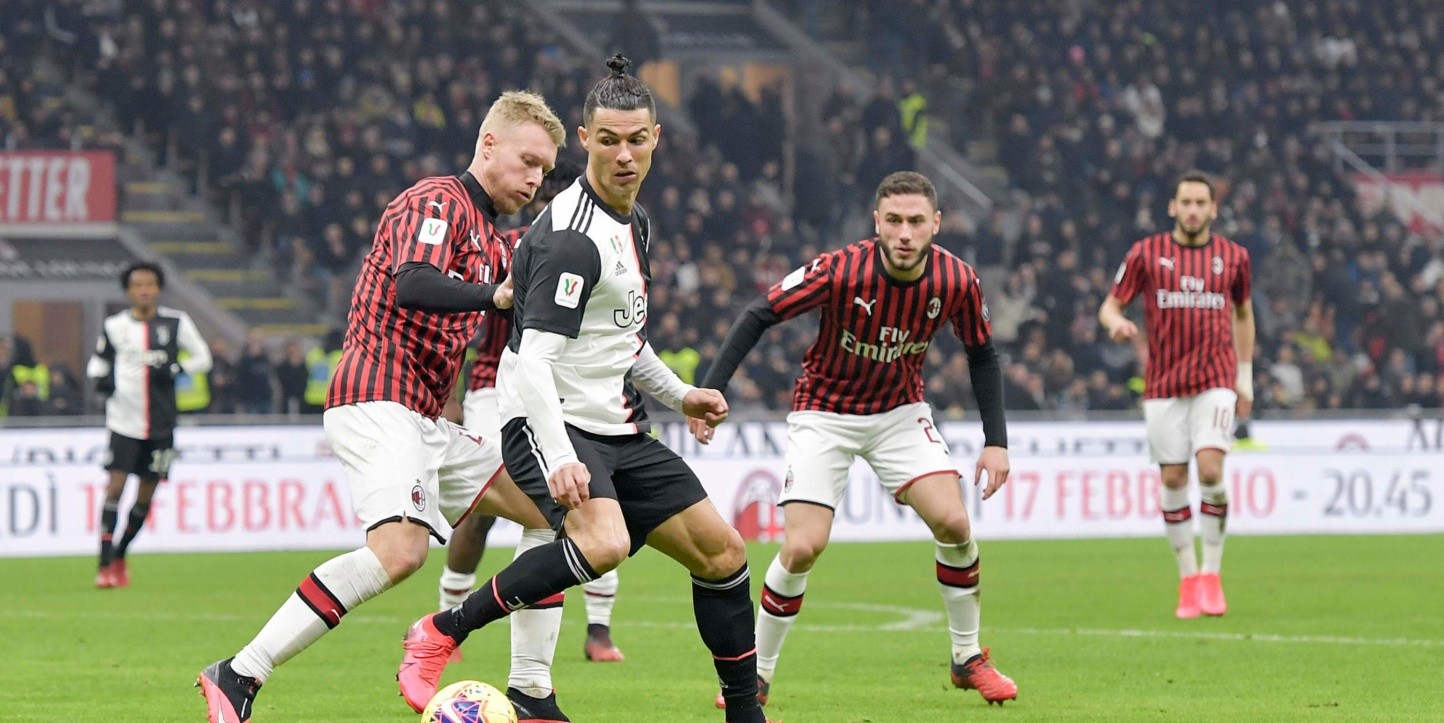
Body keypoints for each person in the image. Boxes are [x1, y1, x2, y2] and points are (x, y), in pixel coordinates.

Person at [397, 56, 772, 723]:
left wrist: (680, 393)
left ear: (656, 137)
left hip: (617, 425)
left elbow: (622, 340)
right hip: (549, 421)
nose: (624, 155)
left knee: (724, 553)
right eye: (608, 141)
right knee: (604, 543)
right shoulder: (574, 239)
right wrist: (561, 455)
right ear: (584, 138)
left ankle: (746, 714)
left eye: (636, 139)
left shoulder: (636, 221)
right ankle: (445, 628)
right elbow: (535, 361)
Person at [197, 90, 568, 723]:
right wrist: (495, 297)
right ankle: (238, 672)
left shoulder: (492, 238)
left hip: (426, 418)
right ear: (488, 145)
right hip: (376, 394)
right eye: (527, 160)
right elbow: (413, 283)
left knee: (555, 513)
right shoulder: (436, 201)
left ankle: (531, 691)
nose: (535, 179)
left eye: (546, 170)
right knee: (400, 553)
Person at [694, 170, 1018, 708]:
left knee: (955, 522)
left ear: (936, 223)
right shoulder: (841, 269)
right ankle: (756, 678)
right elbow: (760, 313)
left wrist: (996, 440)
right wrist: (711, 390)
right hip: (824, 412)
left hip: (899, 413)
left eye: (917, 221)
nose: (905, 233)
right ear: (877, 223)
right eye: (894, 221)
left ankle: (966, 658)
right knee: (801, 547)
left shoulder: (958, 281)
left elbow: (982, 354)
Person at [440, 158, 628, 679]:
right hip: (495, 389)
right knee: (489, 508)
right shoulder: (517, 246)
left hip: (574, 394)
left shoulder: (604, 246)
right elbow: (467, 318)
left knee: (591, 501)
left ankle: (598, 630)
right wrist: (452, 394)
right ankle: (450, 614)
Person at [1098, 170, 1255, 619]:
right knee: (1172, 480)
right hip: (1164, 384)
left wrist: (1244, 376)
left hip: (1215, 380)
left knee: (1209, 469)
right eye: (1184, 202)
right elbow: (1111, 303)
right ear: (1172, 207)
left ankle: (1212, 573)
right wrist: (1116, 323)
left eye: (1200, 203)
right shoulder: (1146, 254)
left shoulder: (1234, 257)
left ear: (1212, 209)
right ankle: (1188, 578)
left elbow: (1244, 314)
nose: (1192, 210)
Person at [86, 261, 213, 588]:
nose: (144, 290)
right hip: (123, 423)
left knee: (144, 497)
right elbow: (98, 361)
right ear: (128, 291)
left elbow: (203, 357)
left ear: (158, 289)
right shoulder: (114, 326)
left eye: (150, 284)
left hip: (161, 425)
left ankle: (120, 555)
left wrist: (174, 367)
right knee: (115, 487)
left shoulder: (175, 323)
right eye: (137, 285)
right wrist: (100, 378)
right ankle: (103, 563)